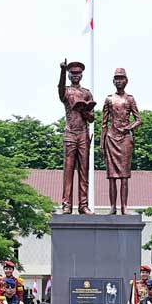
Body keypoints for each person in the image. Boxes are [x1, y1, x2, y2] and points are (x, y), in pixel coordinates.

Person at [102, 67, 142, 214]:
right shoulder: (109, 99)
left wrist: (129, 128)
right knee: (112, 176)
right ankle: (113, 206)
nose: (119, 81)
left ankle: (124, 206)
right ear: (113, 81)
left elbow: (139, 119)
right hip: (111, 139)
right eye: (117, 78)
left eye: (121, 78)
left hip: (125, 139)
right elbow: (104, 123)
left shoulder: (130, 99)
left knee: (124, 176)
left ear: (126, 80)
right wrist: (101, 145)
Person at [58, 59, 95, 214]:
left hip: (83, 134)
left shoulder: (86, 93)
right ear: (68, 75)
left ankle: (83, 204)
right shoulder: (66, 91)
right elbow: (60, 90)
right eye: (72, 73)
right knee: (68, 170)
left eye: (78, 73)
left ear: (81, 75)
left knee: (83, 170)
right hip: (70, 133)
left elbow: (92, 118)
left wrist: (85, 111)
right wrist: (61, 71)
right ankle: (66, 204)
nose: (75, 75)